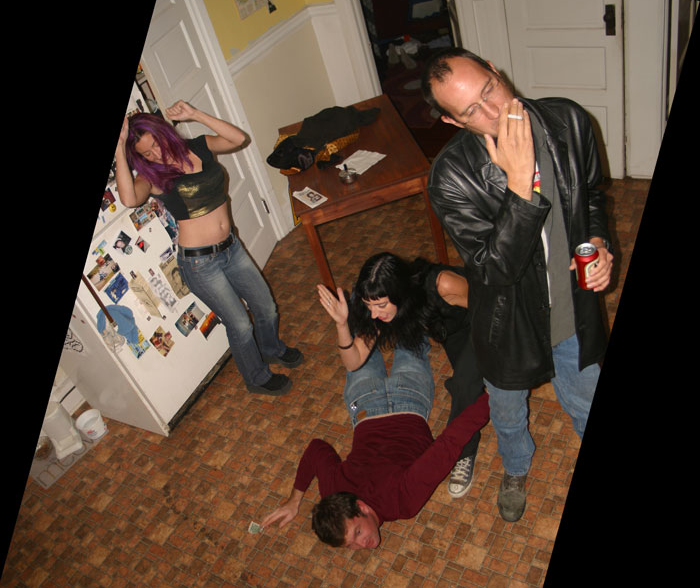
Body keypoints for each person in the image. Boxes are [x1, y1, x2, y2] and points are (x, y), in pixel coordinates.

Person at [421, 48, 614, 522]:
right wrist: (519, 183)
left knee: (587, 398)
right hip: (506, 326)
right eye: (472, 110)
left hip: (571, 309)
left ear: (495, 69)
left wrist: (596, 241)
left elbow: (591, 196)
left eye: (489, 89)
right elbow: (495, 270)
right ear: (453, 121)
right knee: (507, 414)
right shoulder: (449, 177)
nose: (493, 110)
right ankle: (516, 467)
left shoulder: (569, 121)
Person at [260, 252, 490, 549]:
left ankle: (370, 304)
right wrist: (296, 499)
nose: (362, 545)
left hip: (380, 404)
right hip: (401, 400)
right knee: (410, 332)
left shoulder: (400, 502)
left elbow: (449, 445)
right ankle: (367, 310)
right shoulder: (339, 499)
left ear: (361, 507)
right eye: (352, 544)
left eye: (357, 534)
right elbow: (445, 446)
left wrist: (495, 395)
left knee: (396, 324)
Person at [115, 100, 303, 395]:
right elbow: (128, 199)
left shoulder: (199, 147)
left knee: (266, 306)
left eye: (155, 144)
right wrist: (119, 147)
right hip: (199, 264)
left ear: (165, 133)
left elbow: (238, 138)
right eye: (146, 153)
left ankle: (271, 349)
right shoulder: (151, 177)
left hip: (232, 248)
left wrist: (195, 114)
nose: (155, 154)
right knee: (240, 325)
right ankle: (256, 378)